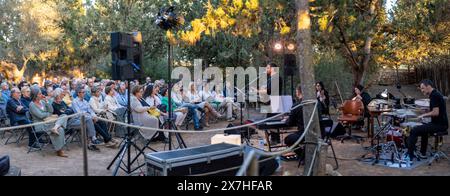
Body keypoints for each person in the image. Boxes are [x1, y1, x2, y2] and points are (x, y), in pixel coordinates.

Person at [406, 79, 448, 162]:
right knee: (423, 129)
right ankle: (423, 153)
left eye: (423, 88)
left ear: (428, 86)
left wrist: (423, 115)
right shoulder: (435, 94)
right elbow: (435, 109)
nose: (422, 90)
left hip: (440, 125)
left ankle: (410, 154)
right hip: (440, 123)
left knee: (414, 130)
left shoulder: (434, 96)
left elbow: (436, 112)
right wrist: (425, 110)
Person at [28, 87, 68, 157]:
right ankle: (59, 150)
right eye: (40, 94)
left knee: (64, 115)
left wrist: (47, 102)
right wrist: (48, 114)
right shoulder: (32, 105)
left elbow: (51, 110)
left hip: (49, 121)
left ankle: (55, 128)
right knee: (60, 129)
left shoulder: (43, 101)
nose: (42, 95)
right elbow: (40, 116)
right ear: (35, 95)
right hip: (40, 124)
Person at [283, 85, 305, 161]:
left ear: (298, 92)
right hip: (319, 134)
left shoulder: (296, 105)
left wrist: (287, 119)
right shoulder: (317, 104)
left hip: (304, 134)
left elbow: (289, 123)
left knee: (288, 139)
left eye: (296, 91)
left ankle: (303, 154)